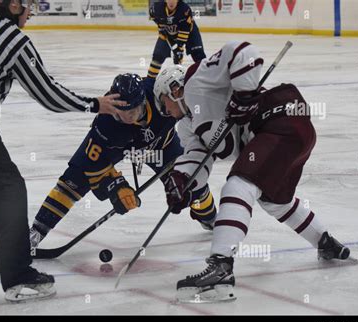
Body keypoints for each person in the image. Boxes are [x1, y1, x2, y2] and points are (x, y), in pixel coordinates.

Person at [0, 0, 125, 302]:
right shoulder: (14, 41)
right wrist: (94, 104)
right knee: (9, 187)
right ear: (14, 5)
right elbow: (48, 93)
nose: (32, 10)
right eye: (28, 4)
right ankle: (18, 277)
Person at [153, 41, 350, 303]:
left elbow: (243, 52)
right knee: (274, 200)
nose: (165, 112)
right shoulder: (188, 126)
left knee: (238, 185)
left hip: (281, 118)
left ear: (172, 88)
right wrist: (181, 181)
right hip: (290, 134)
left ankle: (221, 267)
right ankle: (326, 243)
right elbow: (197, 157)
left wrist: (244, 94)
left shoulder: (197, 79)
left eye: (163, 103)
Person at [29, 73, 218, 249]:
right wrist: (115, 186)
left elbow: (187, 107)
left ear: (143, 102)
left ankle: (210, 218)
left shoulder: (159, 94)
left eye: (130, 111)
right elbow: (93, 164)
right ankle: (36, 231)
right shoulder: (107, 121)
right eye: (117, 110)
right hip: (119, 147)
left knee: (189, 181)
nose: (122, 116)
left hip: (162, 146)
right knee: (73, 179)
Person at [147, 0, 206, 79]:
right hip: (167, 32)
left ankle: (208, 77)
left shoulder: (185, 9)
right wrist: (162, 30)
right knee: (157, 56)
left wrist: (179, 49)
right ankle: (149, 82)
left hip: (190, 33)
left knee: (198, 55)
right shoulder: (156, 8)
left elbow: (184, 31)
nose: (171, 2)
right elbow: (157, 21)